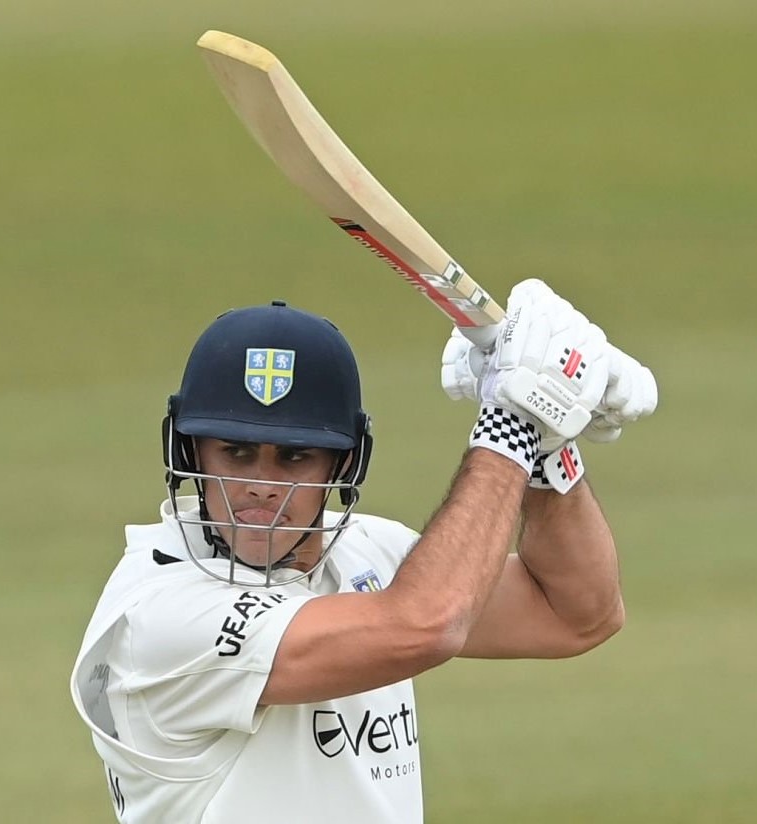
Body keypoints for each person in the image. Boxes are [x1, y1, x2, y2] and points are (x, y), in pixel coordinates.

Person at [69, 280, 658, 823]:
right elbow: (426, 624)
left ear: (343, 464)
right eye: (236, 452)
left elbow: (578, 614)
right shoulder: (157, 617)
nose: (261, 485)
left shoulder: (367, 552)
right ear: (192, 452)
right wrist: (510, 423)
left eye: (295, 456)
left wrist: (550, 446)